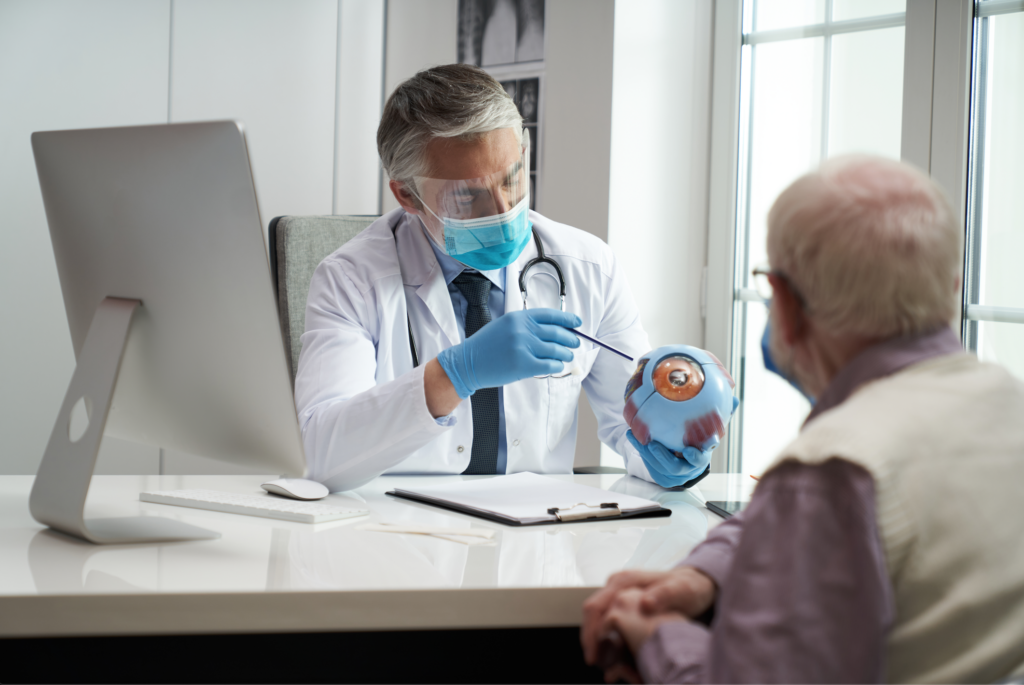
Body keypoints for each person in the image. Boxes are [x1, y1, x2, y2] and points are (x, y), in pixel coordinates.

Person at [580, 155, 1024, 684]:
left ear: (785, 304)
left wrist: (655, 636)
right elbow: (829, 530)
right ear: (951, 287)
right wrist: (706, 573)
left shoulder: (831, 469)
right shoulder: (1005, 406)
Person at [294, 64, 712, 492]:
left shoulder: (590, 267)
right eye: (466, 195)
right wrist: (455, 374)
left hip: (537, 535)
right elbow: (320, 454)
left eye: (512, 180)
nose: (502, 210)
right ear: (407, 194)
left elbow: (631, 423)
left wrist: (668, 449)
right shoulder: (350, 280)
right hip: (399, 533)